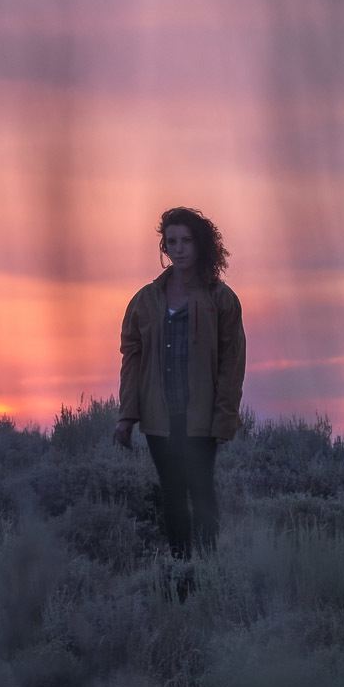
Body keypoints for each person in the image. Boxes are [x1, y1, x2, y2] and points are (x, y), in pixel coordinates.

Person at [113, 206, 246, 572]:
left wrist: (224, 418)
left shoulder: (221, 299)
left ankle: (206, 572)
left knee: (201, 492)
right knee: (171, 495)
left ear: (201, 245)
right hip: (159, 417)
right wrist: (127, 416)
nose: (179, 248)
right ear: (164, 247)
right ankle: (180, 572)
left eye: (186, 241)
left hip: (200, 416)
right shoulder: (145, 300)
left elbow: (232, 363)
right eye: (171, 242)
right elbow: (131, 359)